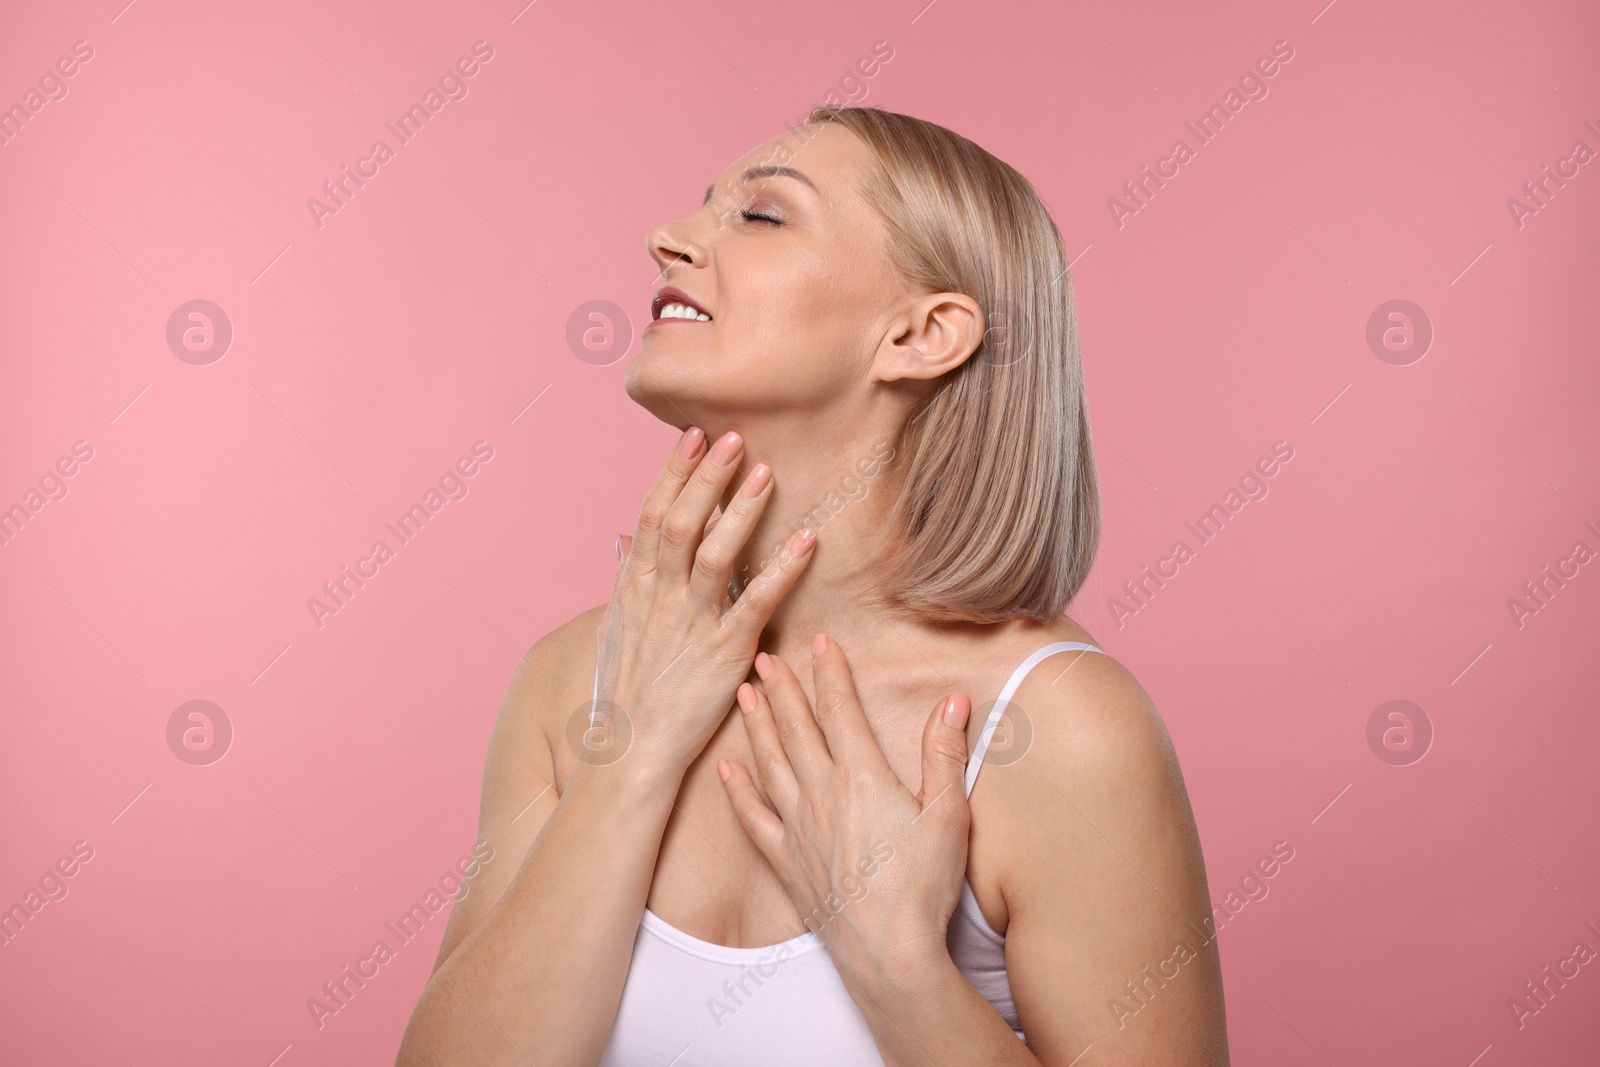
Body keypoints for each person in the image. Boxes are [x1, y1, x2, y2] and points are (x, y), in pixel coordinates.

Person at [397, 105, 1229, 1066]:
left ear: (922, 334)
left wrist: (898, 967)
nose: (667, 238)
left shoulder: (1060, 733)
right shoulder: (578, 678)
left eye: (761, 217)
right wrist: (627, 762)